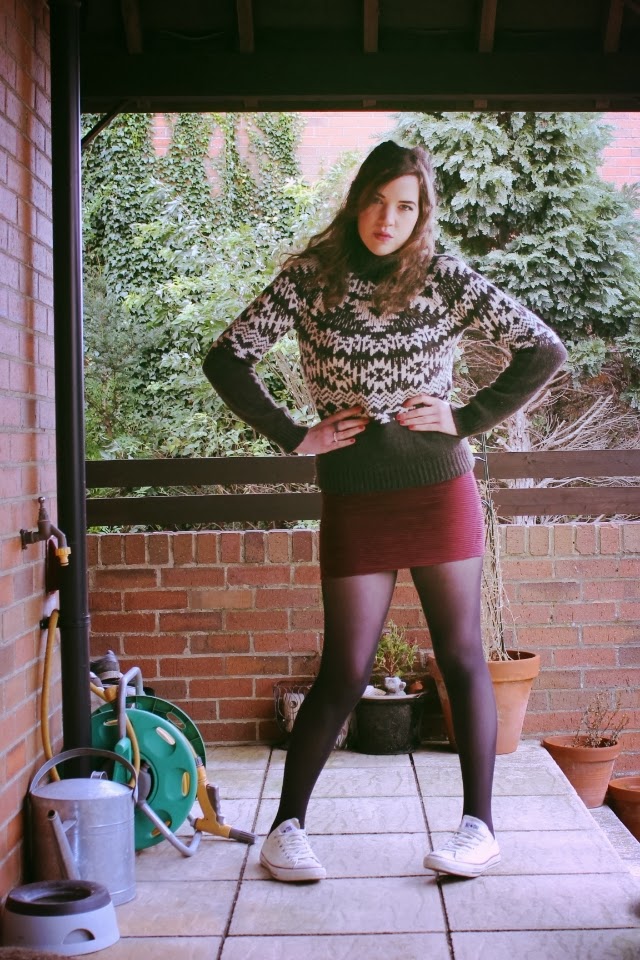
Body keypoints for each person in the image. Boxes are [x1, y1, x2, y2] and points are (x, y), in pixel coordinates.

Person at [203, 140, 567, 882]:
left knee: (462, 657)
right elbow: (227, 357)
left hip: (439, 489)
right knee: (345, 667)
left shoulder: (442, 276)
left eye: (405, 206)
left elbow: (543, 348)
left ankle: (478, 829)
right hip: (355, 494)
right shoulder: (309, 278)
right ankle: (286, 830)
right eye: (376, 200)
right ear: (357, 199)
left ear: (421, 213)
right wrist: (294, 434)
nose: (387, 218)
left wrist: (466, 417)